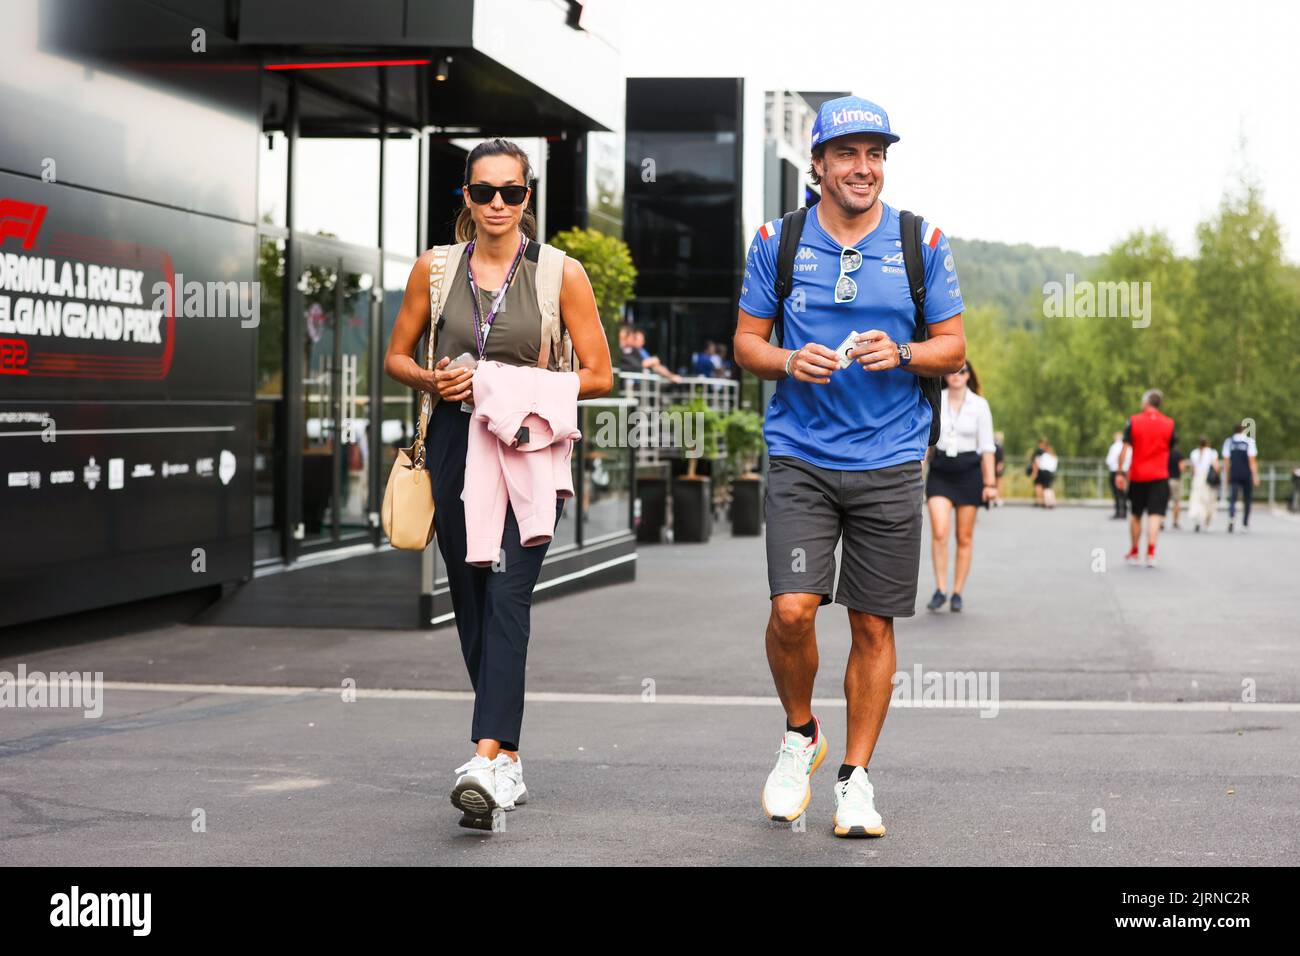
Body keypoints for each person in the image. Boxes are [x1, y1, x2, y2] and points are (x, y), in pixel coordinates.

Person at [733, 95, 966, 838]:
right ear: (820, 164)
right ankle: (800, 734)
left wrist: (902, 352)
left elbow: (953, 348)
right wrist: (785, 359)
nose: (864, 168)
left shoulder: (919, 240)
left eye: (876, 154)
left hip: (893, 459)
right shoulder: (779, 238)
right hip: (801, 454)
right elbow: (746, 344)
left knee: (872, 624)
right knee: (792, 610)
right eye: (848, 154)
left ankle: (855, 780)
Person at [383, 138, 612, 830]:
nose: (498, 205)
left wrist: (505, 383)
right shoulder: (434, 268)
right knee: (472, 596)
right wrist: (432, 378)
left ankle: (484, 757)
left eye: (512, 192)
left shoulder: (559, 274)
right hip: (454, 441)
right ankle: (507, 757)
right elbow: (397, 354)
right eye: (484, 192)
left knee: (509, 591)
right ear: (466, 197)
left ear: (528, 197)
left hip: (526, 448)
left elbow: (600, 375)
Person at [924, 362, 997, 613]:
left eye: (963, 372)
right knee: (940, 532)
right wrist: (916, 470)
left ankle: (957, 592)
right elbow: (926, 440)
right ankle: (940, 588)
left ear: (969, 376)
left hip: (969, 472)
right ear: (945, 374)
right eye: (954, 371)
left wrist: (990, 484)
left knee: (964, 537)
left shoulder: (979, 405)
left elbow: (987, 447)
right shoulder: (936, 399)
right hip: (941, 470)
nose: (957, 376)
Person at [1117, 389, 1176, 567]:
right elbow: (1171, 447)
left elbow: (1125, 448)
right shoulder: (1169, 424)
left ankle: (1135, 551)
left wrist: (1120, 472)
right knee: (1155, 515)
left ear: (1146, 403)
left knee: (1136, 514)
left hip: (1138, 475)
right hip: (1159, 475)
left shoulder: (1134, 421)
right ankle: (1151, 553)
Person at [1223, 422, 1260, 533]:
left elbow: (1226, 461)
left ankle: (1232, 518)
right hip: (1246, 474)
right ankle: (1245, 523)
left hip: (1234, 473)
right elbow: (1252, 461)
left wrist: (1227, 475)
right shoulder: (1249, 442)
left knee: (1233, 499)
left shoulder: (1229, 442)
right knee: (1247, 499)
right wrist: (1255, 476)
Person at [1187, 435, 1220, 532]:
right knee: (1209, 500)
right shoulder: (1212, 453)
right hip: (1207, 479)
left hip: (1197, 478)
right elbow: (1216, 467)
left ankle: (1197, 520)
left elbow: (1193, 470)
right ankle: (1207, 522)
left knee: (1196, 499)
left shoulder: (1194, 453)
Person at [1105, 430, 1128, 519]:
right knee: (1123, 493)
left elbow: (1109, 460)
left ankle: (1118, 511)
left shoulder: (1114, 447)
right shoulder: (1128, 447)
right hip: (1125, 471)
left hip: (1116, 471)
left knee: (1117, 493)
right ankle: (1124, 511)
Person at [1031, 441, 1058, 508]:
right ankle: (1052, 501)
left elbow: (1037, 462)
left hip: (1044, 472)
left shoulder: (1044, 455)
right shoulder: (1054, 456)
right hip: (1051, 473)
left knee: (1045, 488)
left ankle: (1047, 502)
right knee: (1049, 487)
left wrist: (1035, 472)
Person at [1166, 441, 1186, 530]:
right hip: (1176, 479)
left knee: (1164, 501)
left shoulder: (1165, 453)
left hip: (1165, 480)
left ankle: (1161, 521)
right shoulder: (1179, 454)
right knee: (1176, 502)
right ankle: (1175, 522)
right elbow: (1182, 468)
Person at [992, 430, 1006, 505]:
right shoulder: (999, 448)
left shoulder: (992, 447)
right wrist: (999, 468)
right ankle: (997, 498)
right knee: (998, 484)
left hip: (992, 468)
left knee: (994, 484)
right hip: (997, 468)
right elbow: (1000, 460)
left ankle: (995, 498)